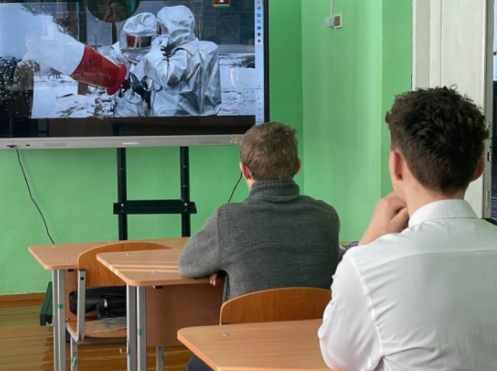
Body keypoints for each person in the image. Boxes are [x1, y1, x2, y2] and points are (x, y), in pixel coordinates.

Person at [318, 87, 497, 371]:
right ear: (478, 168)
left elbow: (339, 358)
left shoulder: (366, 267)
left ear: (396, 166)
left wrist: (367, 246)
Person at [178, 122, 340, 371]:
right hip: (315, 353)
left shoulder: (228, 220)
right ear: (297, 166)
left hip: (245, 354)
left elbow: (186, 264)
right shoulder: (326, 217)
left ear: (244, 170)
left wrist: (219, 262)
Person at [141, 5, 221, 116]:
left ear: (172, 28)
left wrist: (155, 50)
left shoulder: (184, 52)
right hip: (202, 115)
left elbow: (167, 77)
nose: (159, 33)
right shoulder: (204, 49)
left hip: (175, 117)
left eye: (161, 27)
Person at [109, 12, 159, 117]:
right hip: (127, 104)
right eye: (132, 40)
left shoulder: (160, 55)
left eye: (143, 40)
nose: (136, 45)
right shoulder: (118, 53)